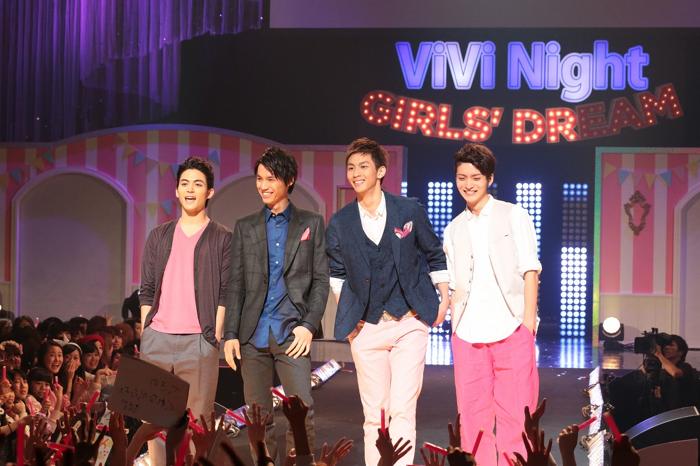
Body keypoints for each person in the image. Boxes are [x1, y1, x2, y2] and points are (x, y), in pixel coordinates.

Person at [326, 137, 449, 466]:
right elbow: (336, 273)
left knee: (402, 408)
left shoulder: (408, 210)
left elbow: (434, 254)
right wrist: (350, 313)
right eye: (351, 168)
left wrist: (444, 297)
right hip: (366, 327)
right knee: (375, 414)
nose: (356, 173)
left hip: (409, 320)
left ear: (380, 171)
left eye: (363, 166)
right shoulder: (340, 222)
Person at [224, 147, 329, 462]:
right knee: (258, 418)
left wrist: (308, 325)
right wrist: (230, 334)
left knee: (301, 411)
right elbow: (236, 284)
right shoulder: (245, 226)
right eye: (259, 178)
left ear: (289, 180)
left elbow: (320, 280)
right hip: (252, 334)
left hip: (292, 332)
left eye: (271, 178)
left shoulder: (311, 222)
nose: (263, 185)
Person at [442, 143, 541, 466]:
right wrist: (453, 324)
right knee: (472, 421)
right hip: (467, 333)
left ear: (489, 178)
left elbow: (530, 269)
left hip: (512, 328)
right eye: (462, 177)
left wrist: (527, 324)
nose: (468, 184)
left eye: (475, 177)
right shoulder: (453, 228)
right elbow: (453, 282)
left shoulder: (513, 215)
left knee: (517, 417)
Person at [135, 156, 232, 464]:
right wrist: (147, 331)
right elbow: (147, 288)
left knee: (198, 426)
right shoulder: (158, 235)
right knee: (153, 423)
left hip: (199, 341)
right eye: (185, 184)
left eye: (198, 184)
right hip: (157, 339)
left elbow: (227, 292)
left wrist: (213, 335)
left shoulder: (223, 237)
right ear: (177, 191)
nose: (190, 190)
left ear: (210, 192)